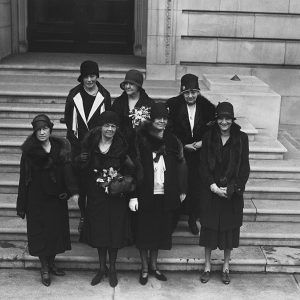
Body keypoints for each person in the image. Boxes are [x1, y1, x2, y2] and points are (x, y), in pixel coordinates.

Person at [16, 114, 79, 287]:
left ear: (50, 129)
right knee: (41, 235)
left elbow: (68, 172)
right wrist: (21, 205)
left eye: (44, 129)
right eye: (38, 130)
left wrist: (72, 191)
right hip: (36, 201)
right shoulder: (29, 152)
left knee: (55, 234)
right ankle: (44, 268)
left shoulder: (60, 147)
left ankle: (51, 263)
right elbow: (23, 179)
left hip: (56, 200)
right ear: (34, 132)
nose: (42, 132)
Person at [129, 103, 187, 285]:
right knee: (144, 232)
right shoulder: (140, 139)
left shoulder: (172, 140)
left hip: (164, 194)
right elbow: (133, 168)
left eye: (164, 118)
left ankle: (154, 266)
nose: (162, 121)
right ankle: (145, 267)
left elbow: (181, 166)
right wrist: (133, 195)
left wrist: (182, 189)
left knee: (159, 232)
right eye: (158, 118)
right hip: (146, 193)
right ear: (151, 120)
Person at [77, 111, 135, 287]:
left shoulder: (122, 147)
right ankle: (102, 267)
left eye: (113, 126)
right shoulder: (90, 145)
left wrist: (121, 184)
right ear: (100, 127)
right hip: (95, 196)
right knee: (99, 231)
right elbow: (81, 171)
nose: (110, 129)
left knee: (114, 232)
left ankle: (113, 268)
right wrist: (80, 161)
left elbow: (132, 171)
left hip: (116, 198)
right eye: (107, 125)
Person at [199, 102, 250, 284]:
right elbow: (203, 166)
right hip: (211, 193)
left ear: (232, 120)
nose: (224, 122)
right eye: (220, 118)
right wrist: (212, 186)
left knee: (229, 232)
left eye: (227, 118)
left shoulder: (241, 138)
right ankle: (207, 266)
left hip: (231, 194)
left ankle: (226, 266)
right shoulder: (208, 136)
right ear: (216, 120)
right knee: (209, 232)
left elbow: (244, 167)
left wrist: (232, 188)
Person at [64, 60, 111, 234]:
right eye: (86, 77)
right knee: (82, 185)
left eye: (92, 76)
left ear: (97, 76)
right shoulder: (73, 95)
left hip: (99, 148)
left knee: (97, 184)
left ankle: (96, 218)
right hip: (78, 148)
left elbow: (108, 122)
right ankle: (84, 216)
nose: (89, 80)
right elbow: (69, 119)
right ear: (81, 78)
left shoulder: (104, 95)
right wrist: (77, 147)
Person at [167, 73, 215, 235]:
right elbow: (168, 130)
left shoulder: (207, 107)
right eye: (186, 93)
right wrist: (183, 145)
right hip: (179, 153)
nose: (190, 96)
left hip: (199, 154)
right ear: (182, 93)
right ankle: (173, 218)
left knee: (196, 187)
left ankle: (192, 219)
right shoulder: (172, 106)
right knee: (176, 185)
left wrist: (202, 143)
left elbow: (213, 130)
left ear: (198, 92)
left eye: (193, 92)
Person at [111, 69, 154, 149]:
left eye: (131, 84)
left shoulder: (149, 103)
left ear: (138, 86)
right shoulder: (118, 102)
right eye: (126, 83)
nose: (127, 86)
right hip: (121, 146)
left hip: (142, 148)